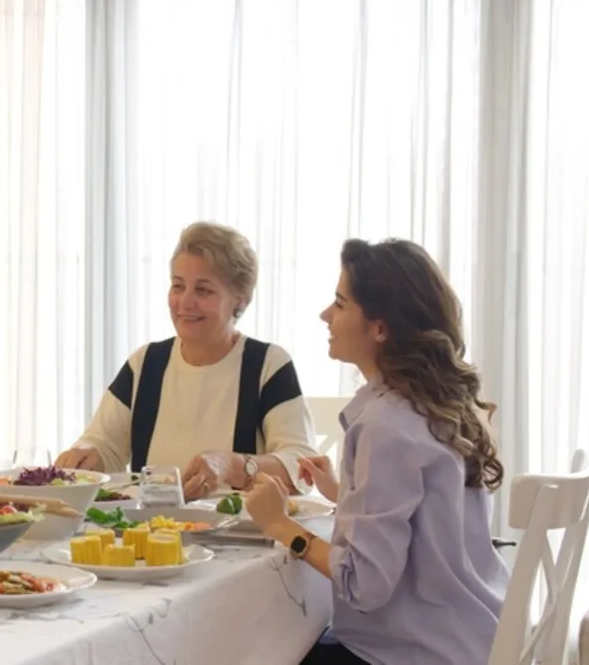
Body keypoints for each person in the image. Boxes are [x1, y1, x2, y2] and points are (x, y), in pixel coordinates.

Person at [245, 238, 510, 665]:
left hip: (413, 653)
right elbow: (430, 523)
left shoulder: (385, 425)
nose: (325, 315)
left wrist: (279, 525)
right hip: (474, 635)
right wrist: (345, 494)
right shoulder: (433, 405)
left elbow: (363, 586)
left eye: (340, 303)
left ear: (380, 328)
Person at [55, 221, 317, 500]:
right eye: (178, 286)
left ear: (240, 300)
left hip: (240, 537)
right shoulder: (145, 364)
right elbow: (105, 446)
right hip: (152, 534)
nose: (185, 302)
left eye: (203, 290)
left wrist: (232, 465)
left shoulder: (267, 366)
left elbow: (301, 466)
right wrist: (84, 458)